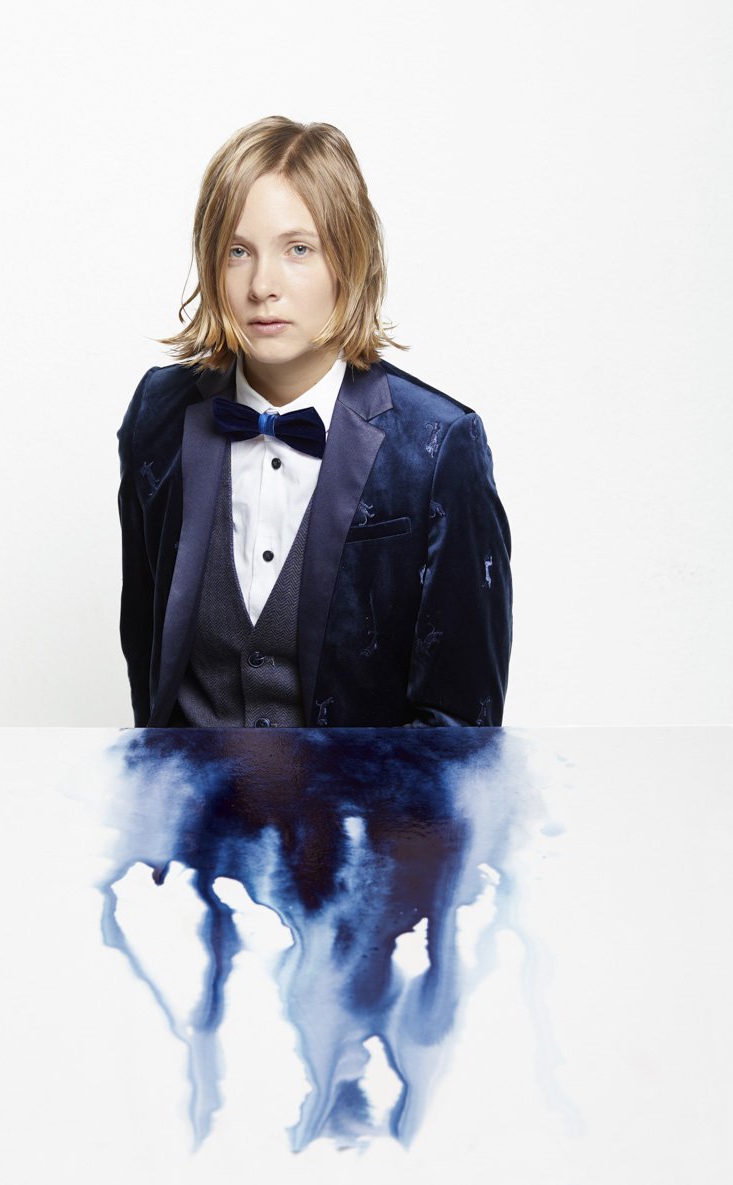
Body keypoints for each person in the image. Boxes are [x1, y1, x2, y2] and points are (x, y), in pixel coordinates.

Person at [117, 116, 511, 730]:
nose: (262, 286)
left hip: (363, 795)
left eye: (297, 249)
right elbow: (146, 651)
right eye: (237, 252)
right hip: (191, 792)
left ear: (347, 261)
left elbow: (462, 728)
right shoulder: (159, 413)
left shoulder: (438, 445)